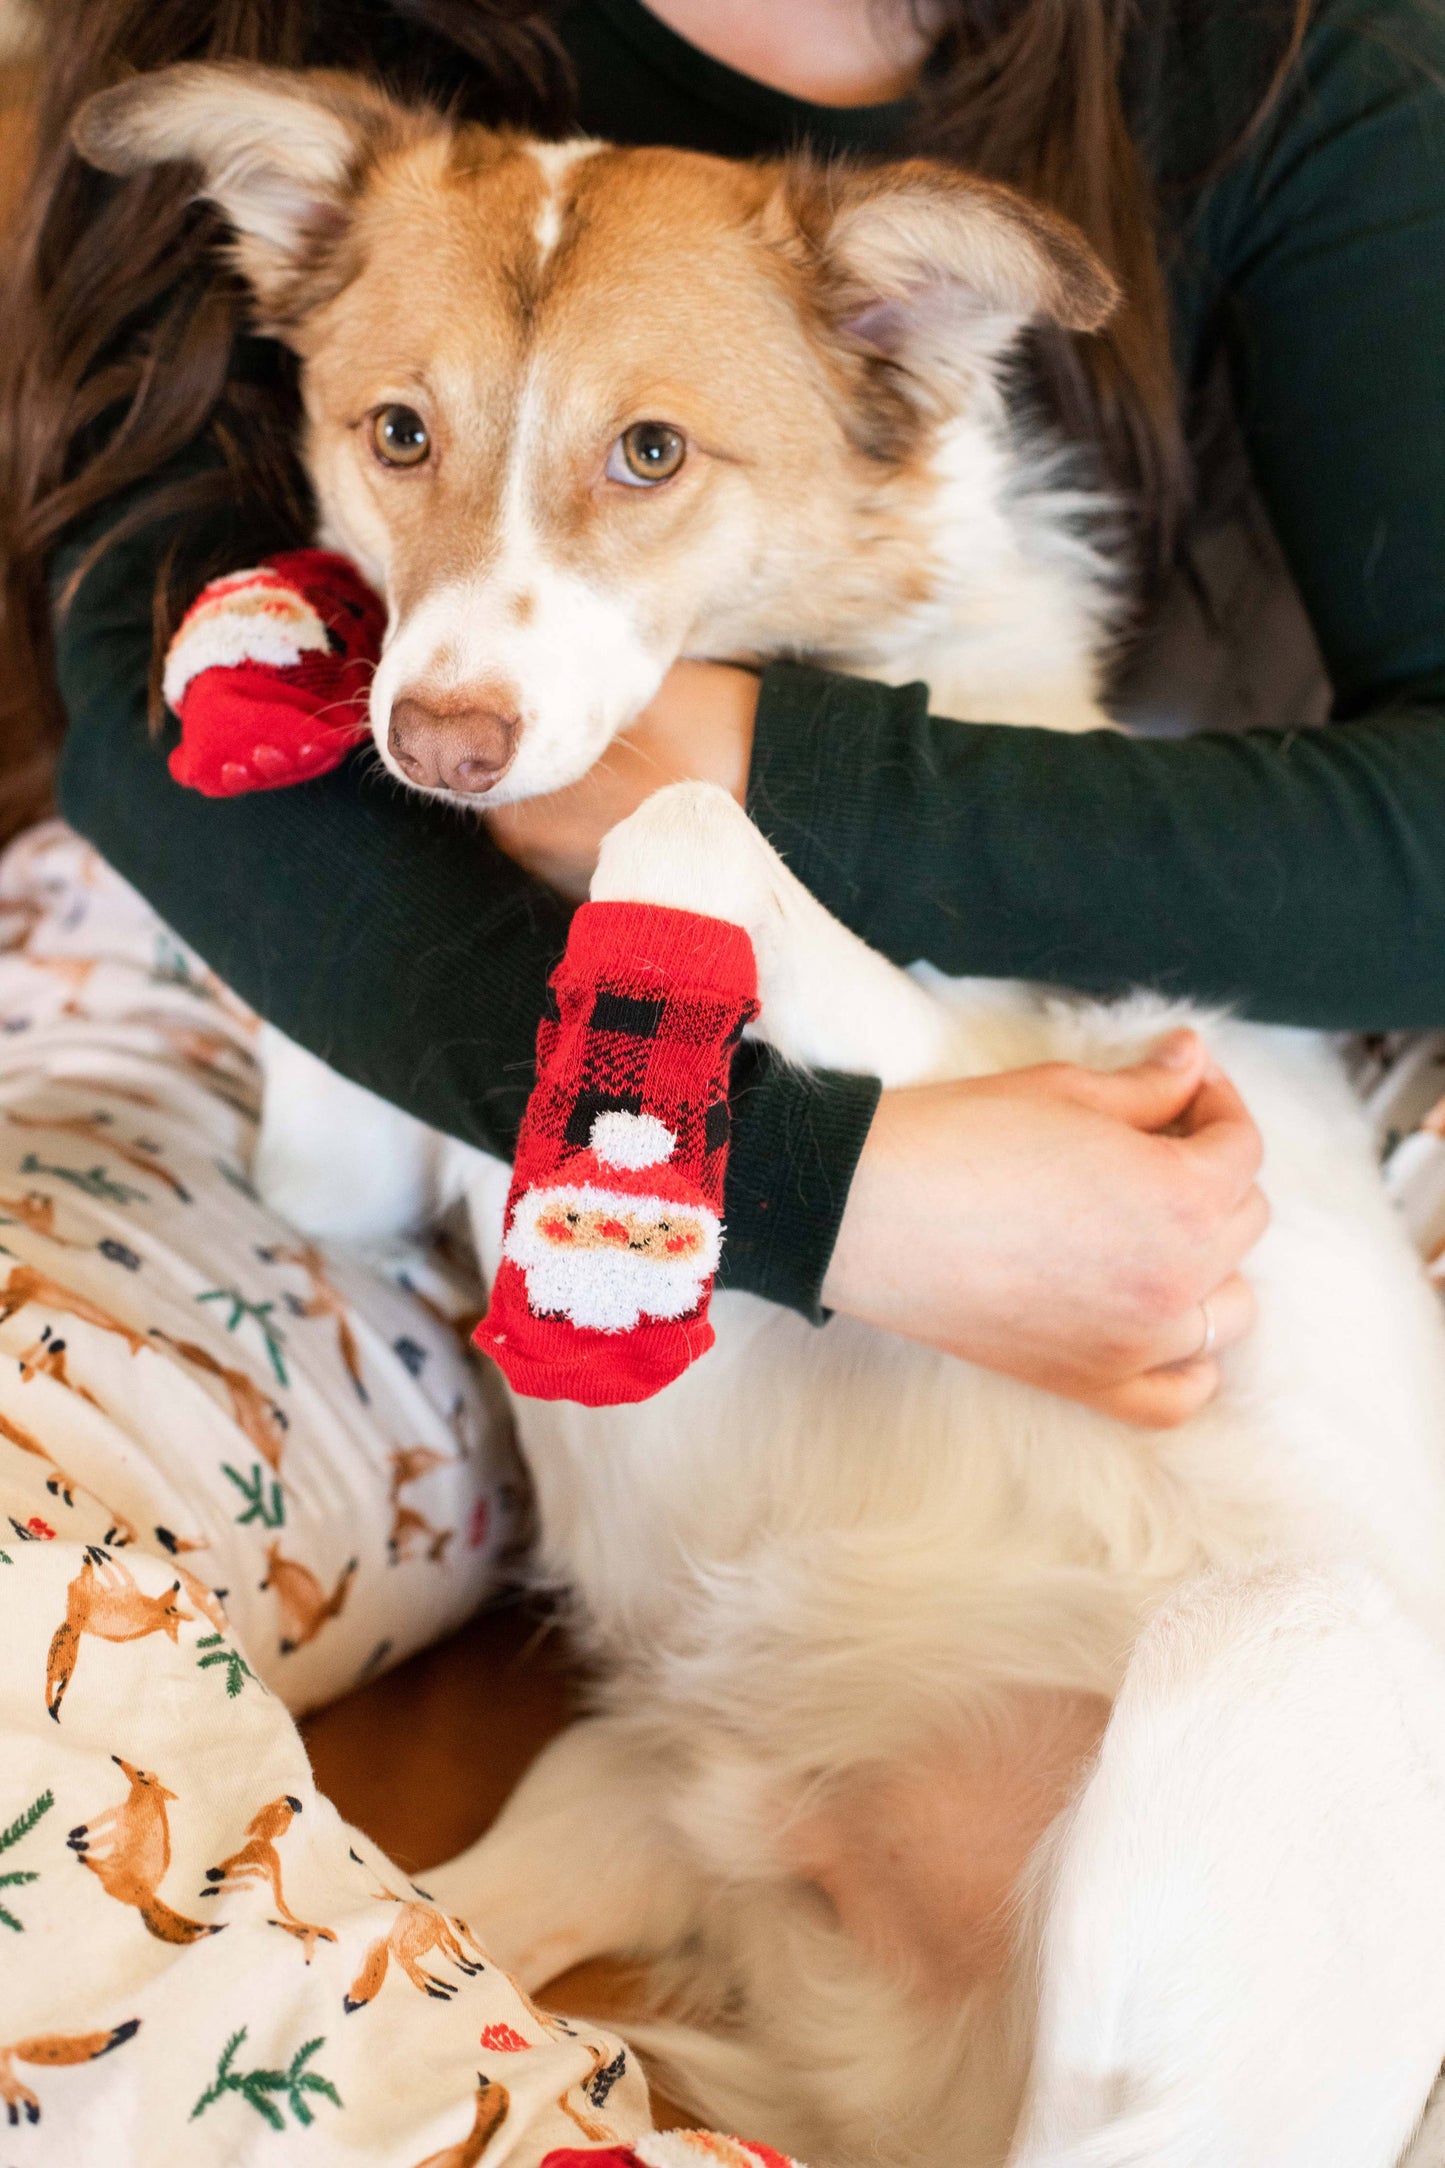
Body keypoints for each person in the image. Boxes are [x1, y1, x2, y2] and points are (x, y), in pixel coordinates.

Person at [2, 0, 1444, 2127]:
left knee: (1320, 1676)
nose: (464, 661)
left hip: (1153, 1727)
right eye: (399, 438)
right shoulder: (313, 95)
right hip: (713, 1735)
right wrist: (842, 1193)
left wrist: (734, 789)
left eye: (645, 457)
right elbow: (145, 654)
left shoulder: (1282, 68)